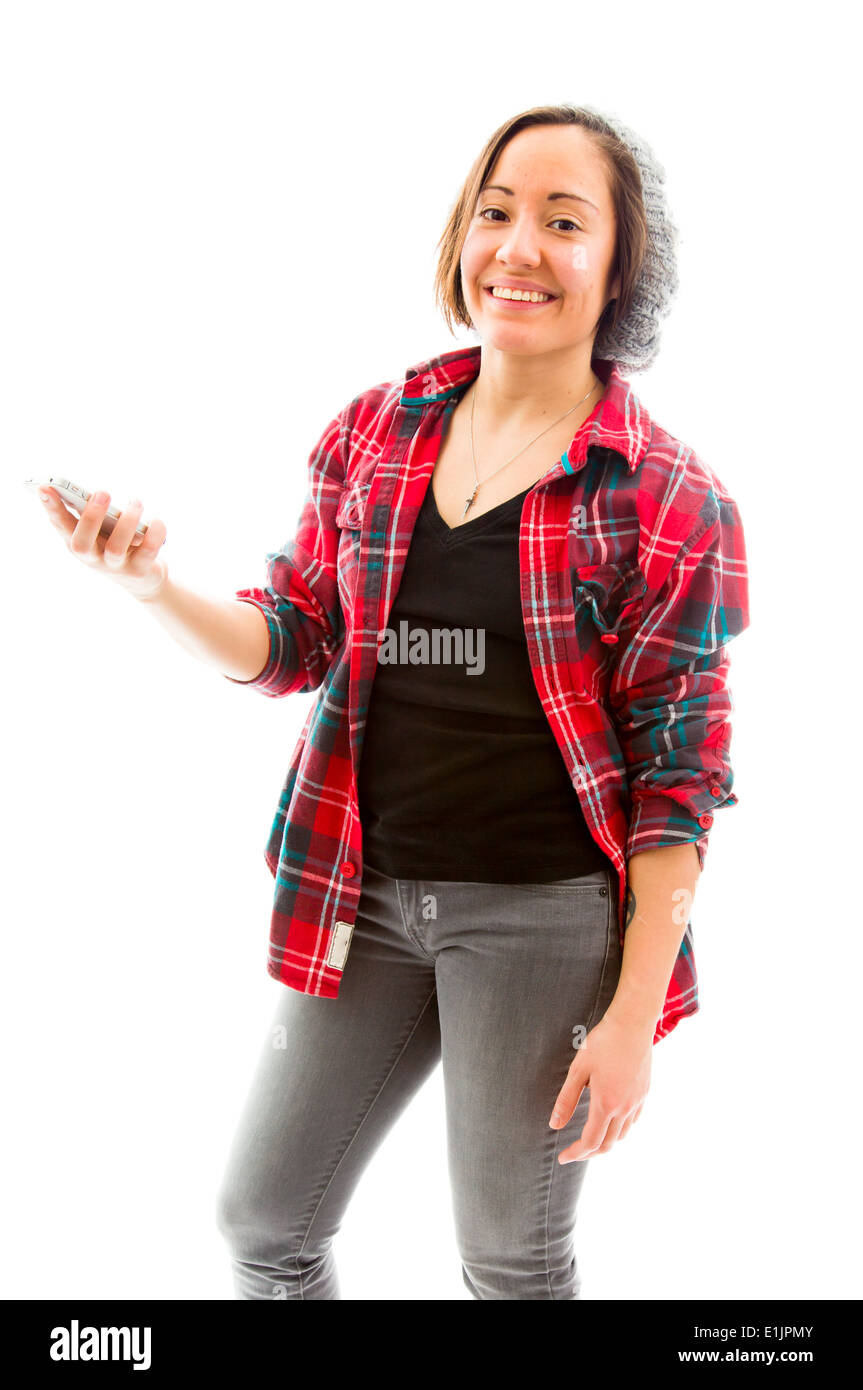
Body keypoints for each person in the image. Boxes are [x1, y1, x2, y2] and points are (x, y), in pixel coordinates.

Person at [35, 103, 750, 1300]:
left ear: (618, 265)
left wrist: (630, 1016)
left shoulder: (670, 497)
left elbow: (678, 786)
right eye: (496, 211)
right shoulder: (379, 430)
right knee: (262, 1220)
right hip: (359, 895)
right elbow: (290, 638)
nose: (517, 247)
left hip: (542, 921)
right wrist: (150, 582)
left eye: (562, 222)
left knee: (508, 1260)